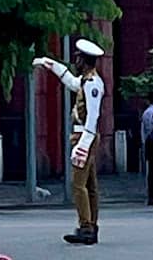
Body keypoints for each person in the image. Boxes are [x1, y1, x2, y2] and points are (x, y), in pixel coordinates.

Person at [34, 38, 107, 246]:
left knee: (78, 185)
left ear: (85, 60)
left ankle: (86, 227)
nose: (75, 60)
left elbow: (92, 118)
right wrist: (50, 64)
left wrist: (82, 146)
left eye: (78, 57)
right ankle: (91, 226)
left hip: (85, 136)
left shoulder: (93, 84)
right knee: (90, 185)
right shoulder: (87, 80)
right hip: (86, 136)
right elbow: (71, 82)